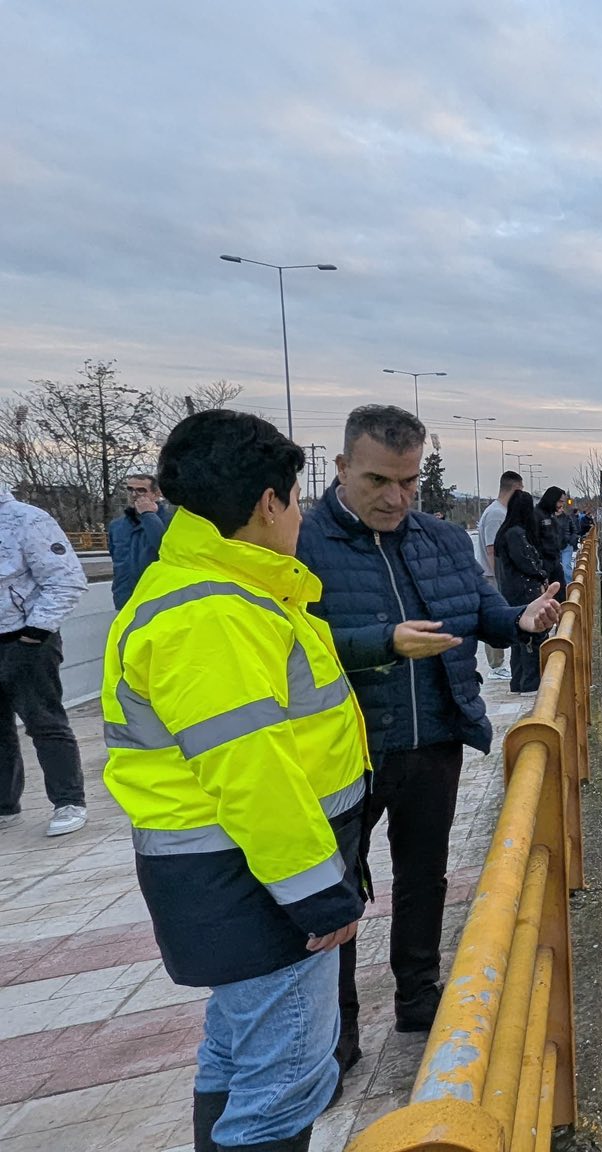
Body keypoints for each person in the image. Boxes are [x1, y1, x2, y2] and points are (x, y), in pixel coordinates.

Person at [101, 410, 368, 1152]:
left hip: (234, 881)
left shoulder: (212, 588)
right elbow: (253, 771)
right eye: (298, 497)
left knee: (236, 1056)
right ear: (268, 503)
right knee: (284, 1086)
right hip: (252, 886)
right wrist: (318, 894)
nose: (301, 515)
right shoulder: (213, 613)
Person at [296, 406, 560, 1068]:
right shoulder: (300, 546)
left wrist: (523, 620)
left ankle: (419, 997)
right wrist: (381, 644)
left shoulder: (441, 539)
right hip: (342, 751)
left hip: (434, 736)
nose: (396, 498)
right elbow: (283, 649)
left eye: (409, 481)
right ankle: (338, 1036)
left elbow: (485, 615)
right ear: (341, 468)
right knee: (337, 896)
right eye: (379, 480)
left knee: (423, 876)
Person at [0, 484, 88, 837]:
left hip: (27, 638)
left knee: (44, 722)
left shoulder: (27, 520)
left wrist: (34, 634)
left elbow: (66, 580)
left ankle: (69, 801)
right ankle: (5, 806)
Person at [493, 490, 550, 694]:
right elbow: (526, 562)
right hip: (524, 593)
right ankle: (530, 684)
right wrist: (542, 574)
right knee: (531, 640)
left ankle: (518, 682)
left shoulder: (505, 532)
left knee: (519, 641)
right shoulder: (516, 534)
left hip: (511, 592)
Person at [474, 472, 522, 681]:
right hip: (492, 576)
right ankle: (496, 665)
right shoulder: (496, 514)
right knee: (493, 617)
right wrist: (501, 578)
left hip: (496, 575)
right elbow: (493, 549)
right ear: (514, 490)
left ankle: (499, 663)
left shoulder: (500, 511)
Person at [110, 472, 176, 610]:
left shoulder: (171, 522)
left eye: (141, 490)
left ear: (156, 494)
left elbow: (165, 549)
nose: (134, 495)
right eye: (130, 489)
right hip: (125, 598)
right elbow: (115, 558)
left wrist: (148, 515)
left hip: (157, 597)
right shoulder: (117, 526)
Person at [536, 486, 570, 589]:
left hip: (555, 561)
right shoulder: (537, 515)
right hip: (544, 563)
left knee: (561, 595)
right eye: (560, 501)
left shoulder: (551, 516)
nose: (561, 505)